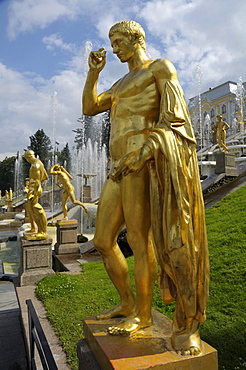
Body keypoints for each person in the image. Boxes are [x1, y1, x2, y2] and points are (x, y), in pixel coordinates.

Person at [82, 20, 209, 356]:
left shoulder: (160, 68)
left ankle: (142, 315)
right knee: (103, 241)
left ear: (136, 38)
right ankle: (126, 304)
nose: (113, 48)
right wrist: (93, 74)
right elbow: (90, 108)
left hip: (142, 162)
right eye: (111, 42)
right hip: (117, 168)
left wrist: (144, 152)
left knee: (139, 240)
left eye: (118, 41)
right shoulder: (121, 82)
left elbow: (176, 120)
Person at [24, 150, 48, 239]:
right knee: (30, 208)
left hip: (34, 189)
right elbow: (45, 176)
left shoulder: (35, 165)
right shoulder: (39, 163)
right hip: (33, 188)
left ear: (28, 157)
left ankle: (42, 231)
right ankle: (34, 228)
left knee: (37, 210)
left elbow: (37, 180)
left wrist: (36, 189)